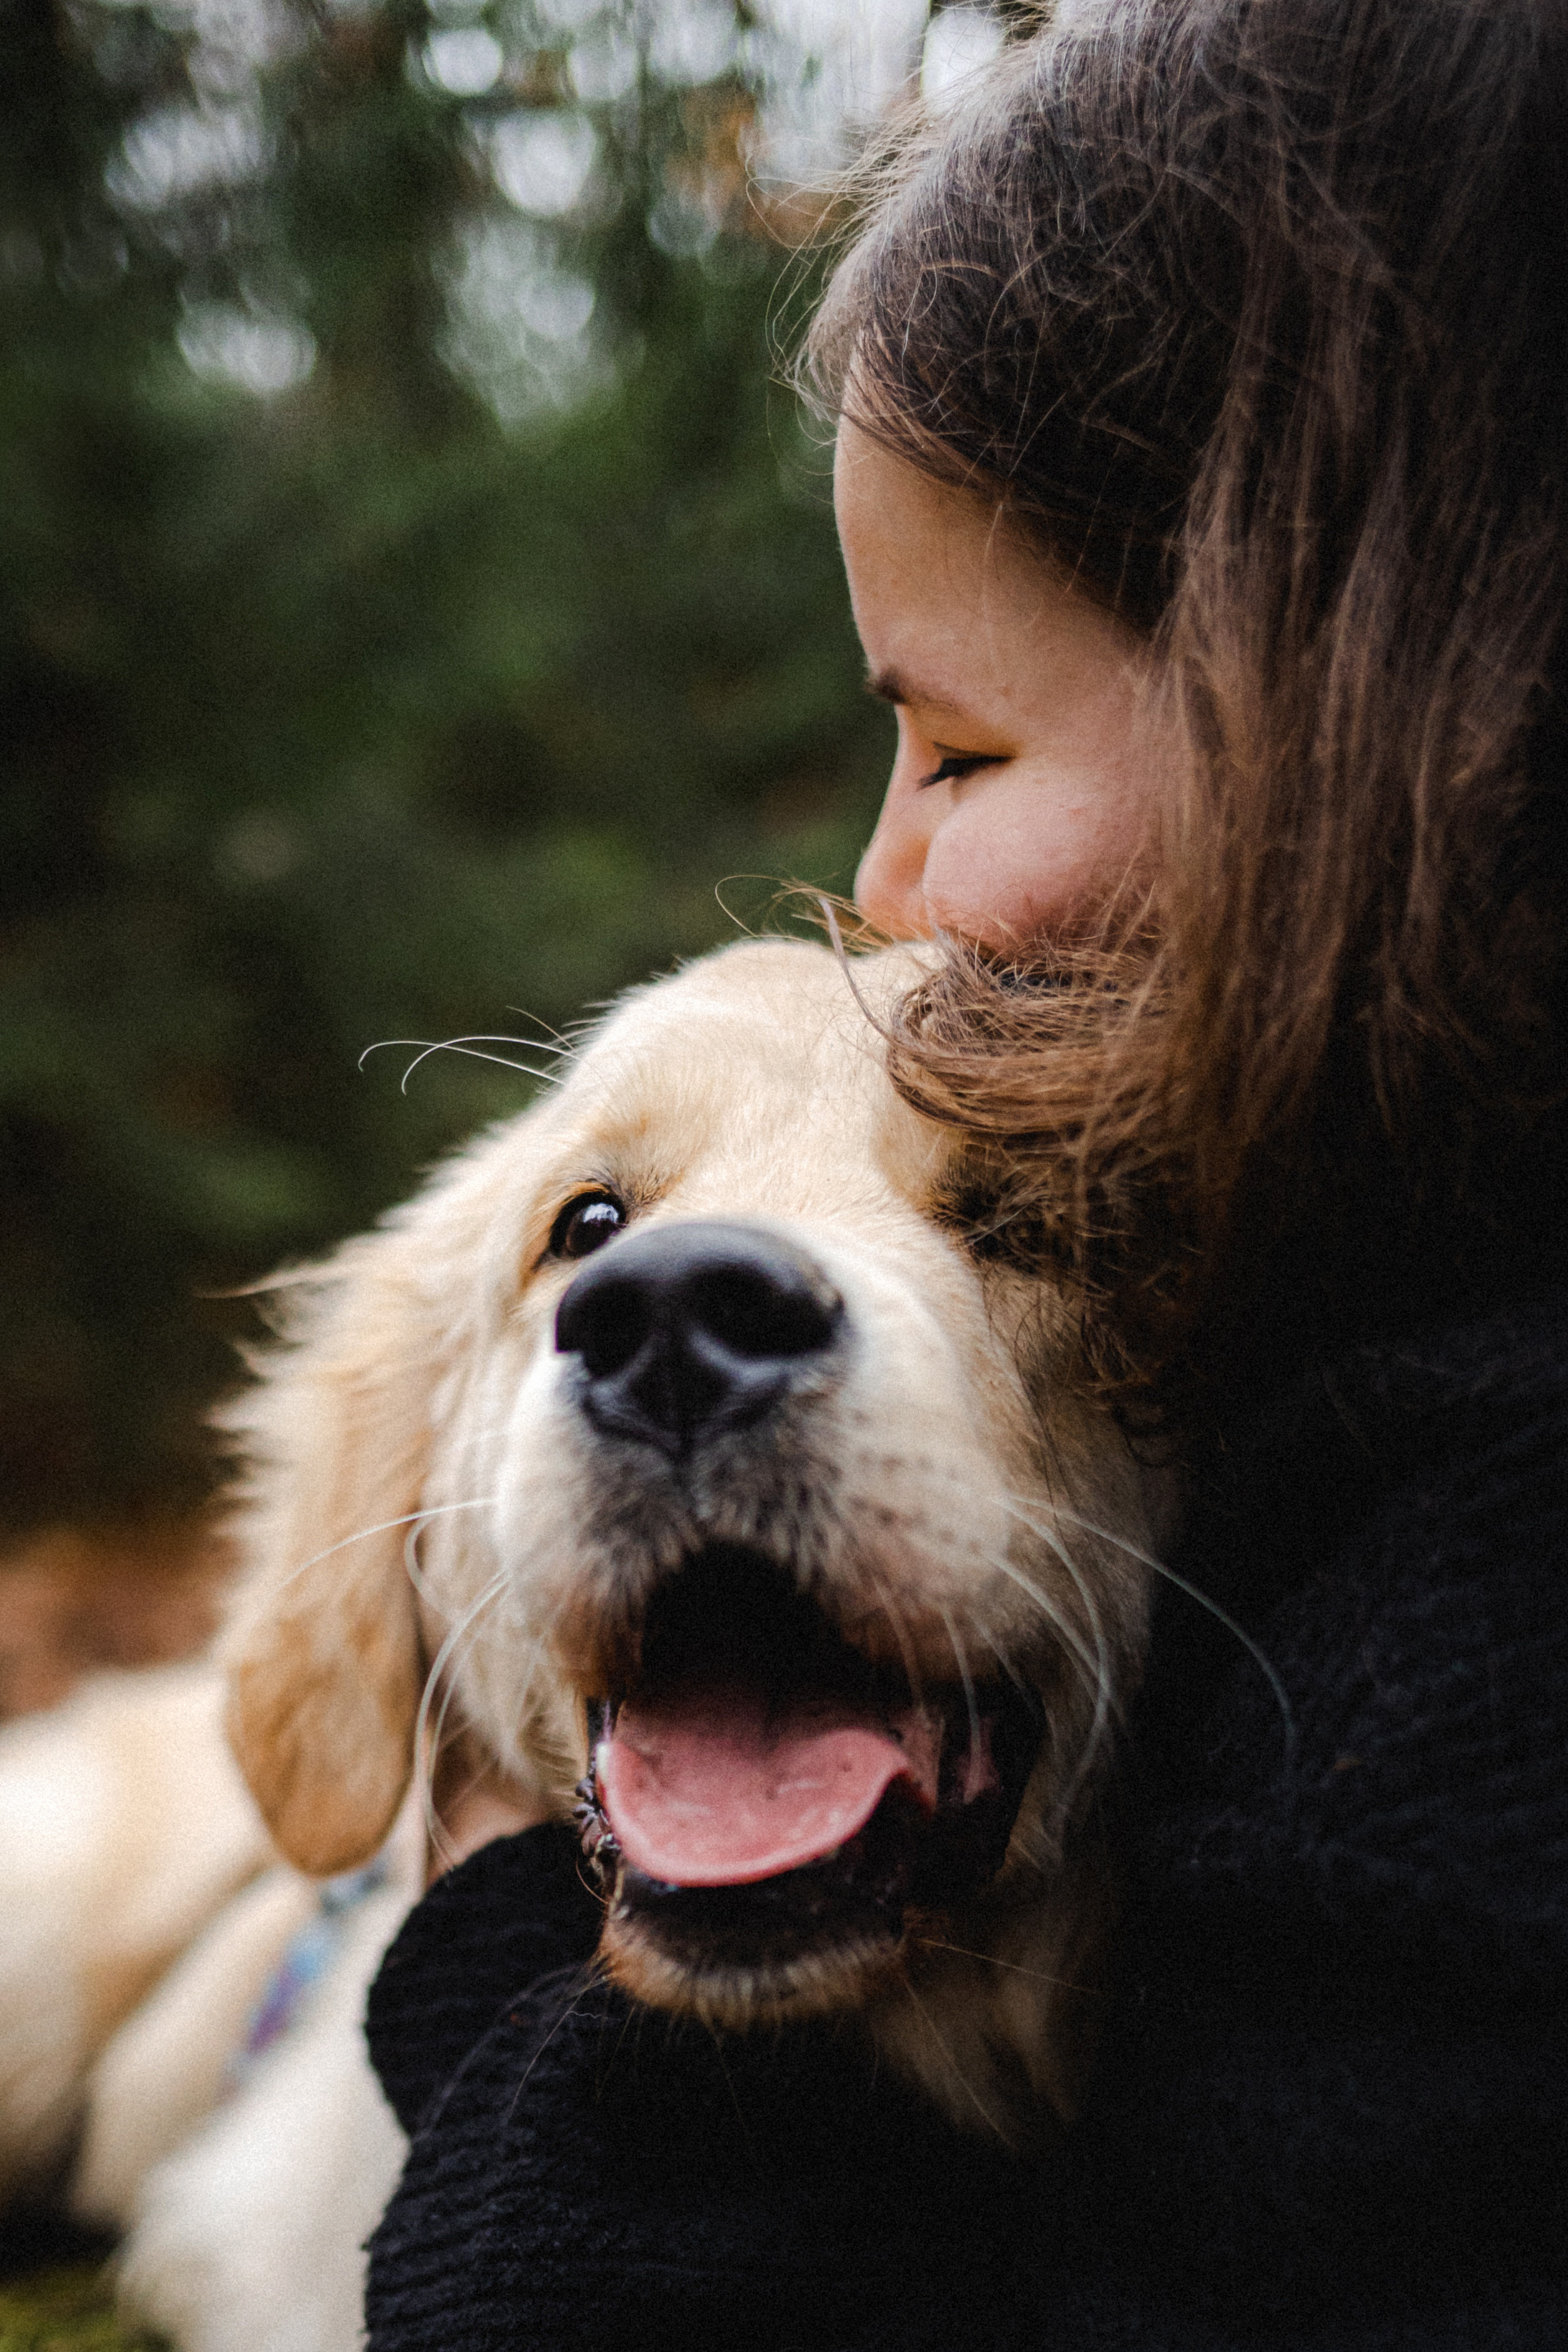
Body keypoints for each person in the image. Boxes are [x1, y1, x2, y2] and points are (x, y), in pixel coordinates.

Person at [362, 2, 1568, 2344]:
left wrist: (493, 1959)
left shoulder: (1477, 1535)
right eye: (588, 1245)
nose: (880, 884)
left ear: (1363, 704)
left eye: (957, 743)